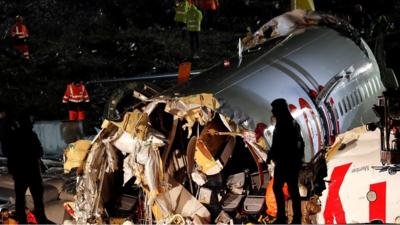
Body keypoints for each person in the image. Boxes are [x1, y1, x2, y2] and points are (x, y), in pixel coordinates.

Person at [0, 109, 52, 224]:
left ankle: (22, 218)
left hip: (20, 171)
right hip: (31, 170)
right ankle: (40, 218)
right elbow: (39, 151)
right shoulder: (30, 135)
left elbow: (7, 151)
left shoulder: (13, 135)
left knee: (20, 197)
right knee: (37, 198)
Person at [267, 98, 304, 224]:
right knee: (292, 190)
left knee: (280, 188)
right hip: (291, 162)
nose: (272, 111)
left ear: (279, 109)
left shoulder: (284, 124)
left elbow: (278, 144)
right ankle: (295, 218)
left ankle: (283, 217)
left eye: (274, 109)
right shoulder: (291, 122)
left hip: (285, 162)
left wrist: (271, 154)